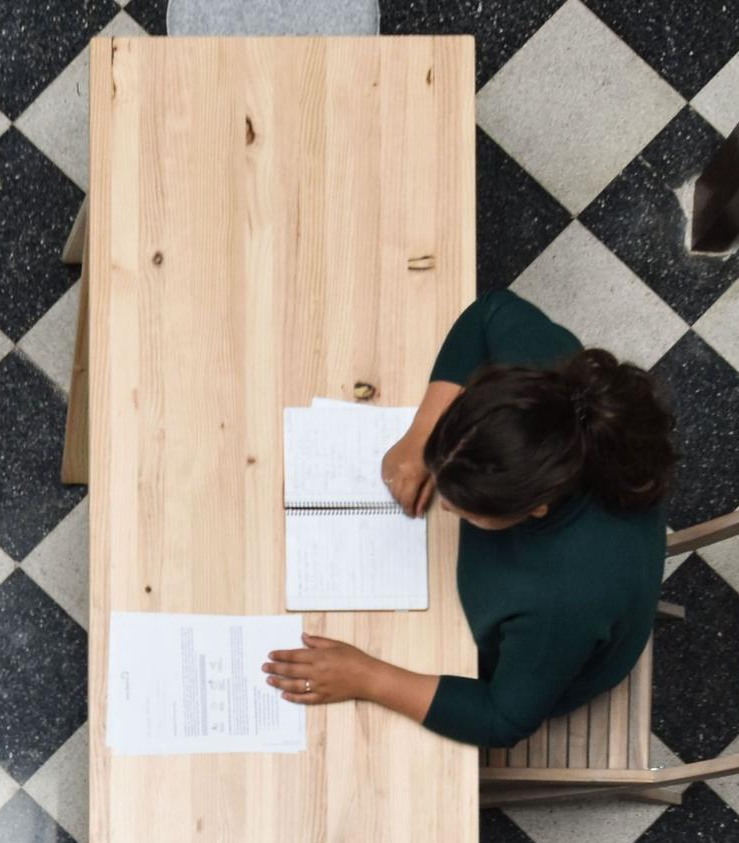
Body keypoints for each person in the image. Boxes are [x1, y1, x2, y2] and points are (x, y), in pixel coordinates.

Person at [261, 290, 675, 748]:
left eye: (463, 508)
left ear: (534, 507)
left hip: (542, 665)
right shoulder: (550, 396)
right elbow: (491, 312)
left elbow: (502, 721)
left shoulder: (564, 602)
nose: (446, 507)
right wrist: (422, 438)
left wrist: (367, 677)